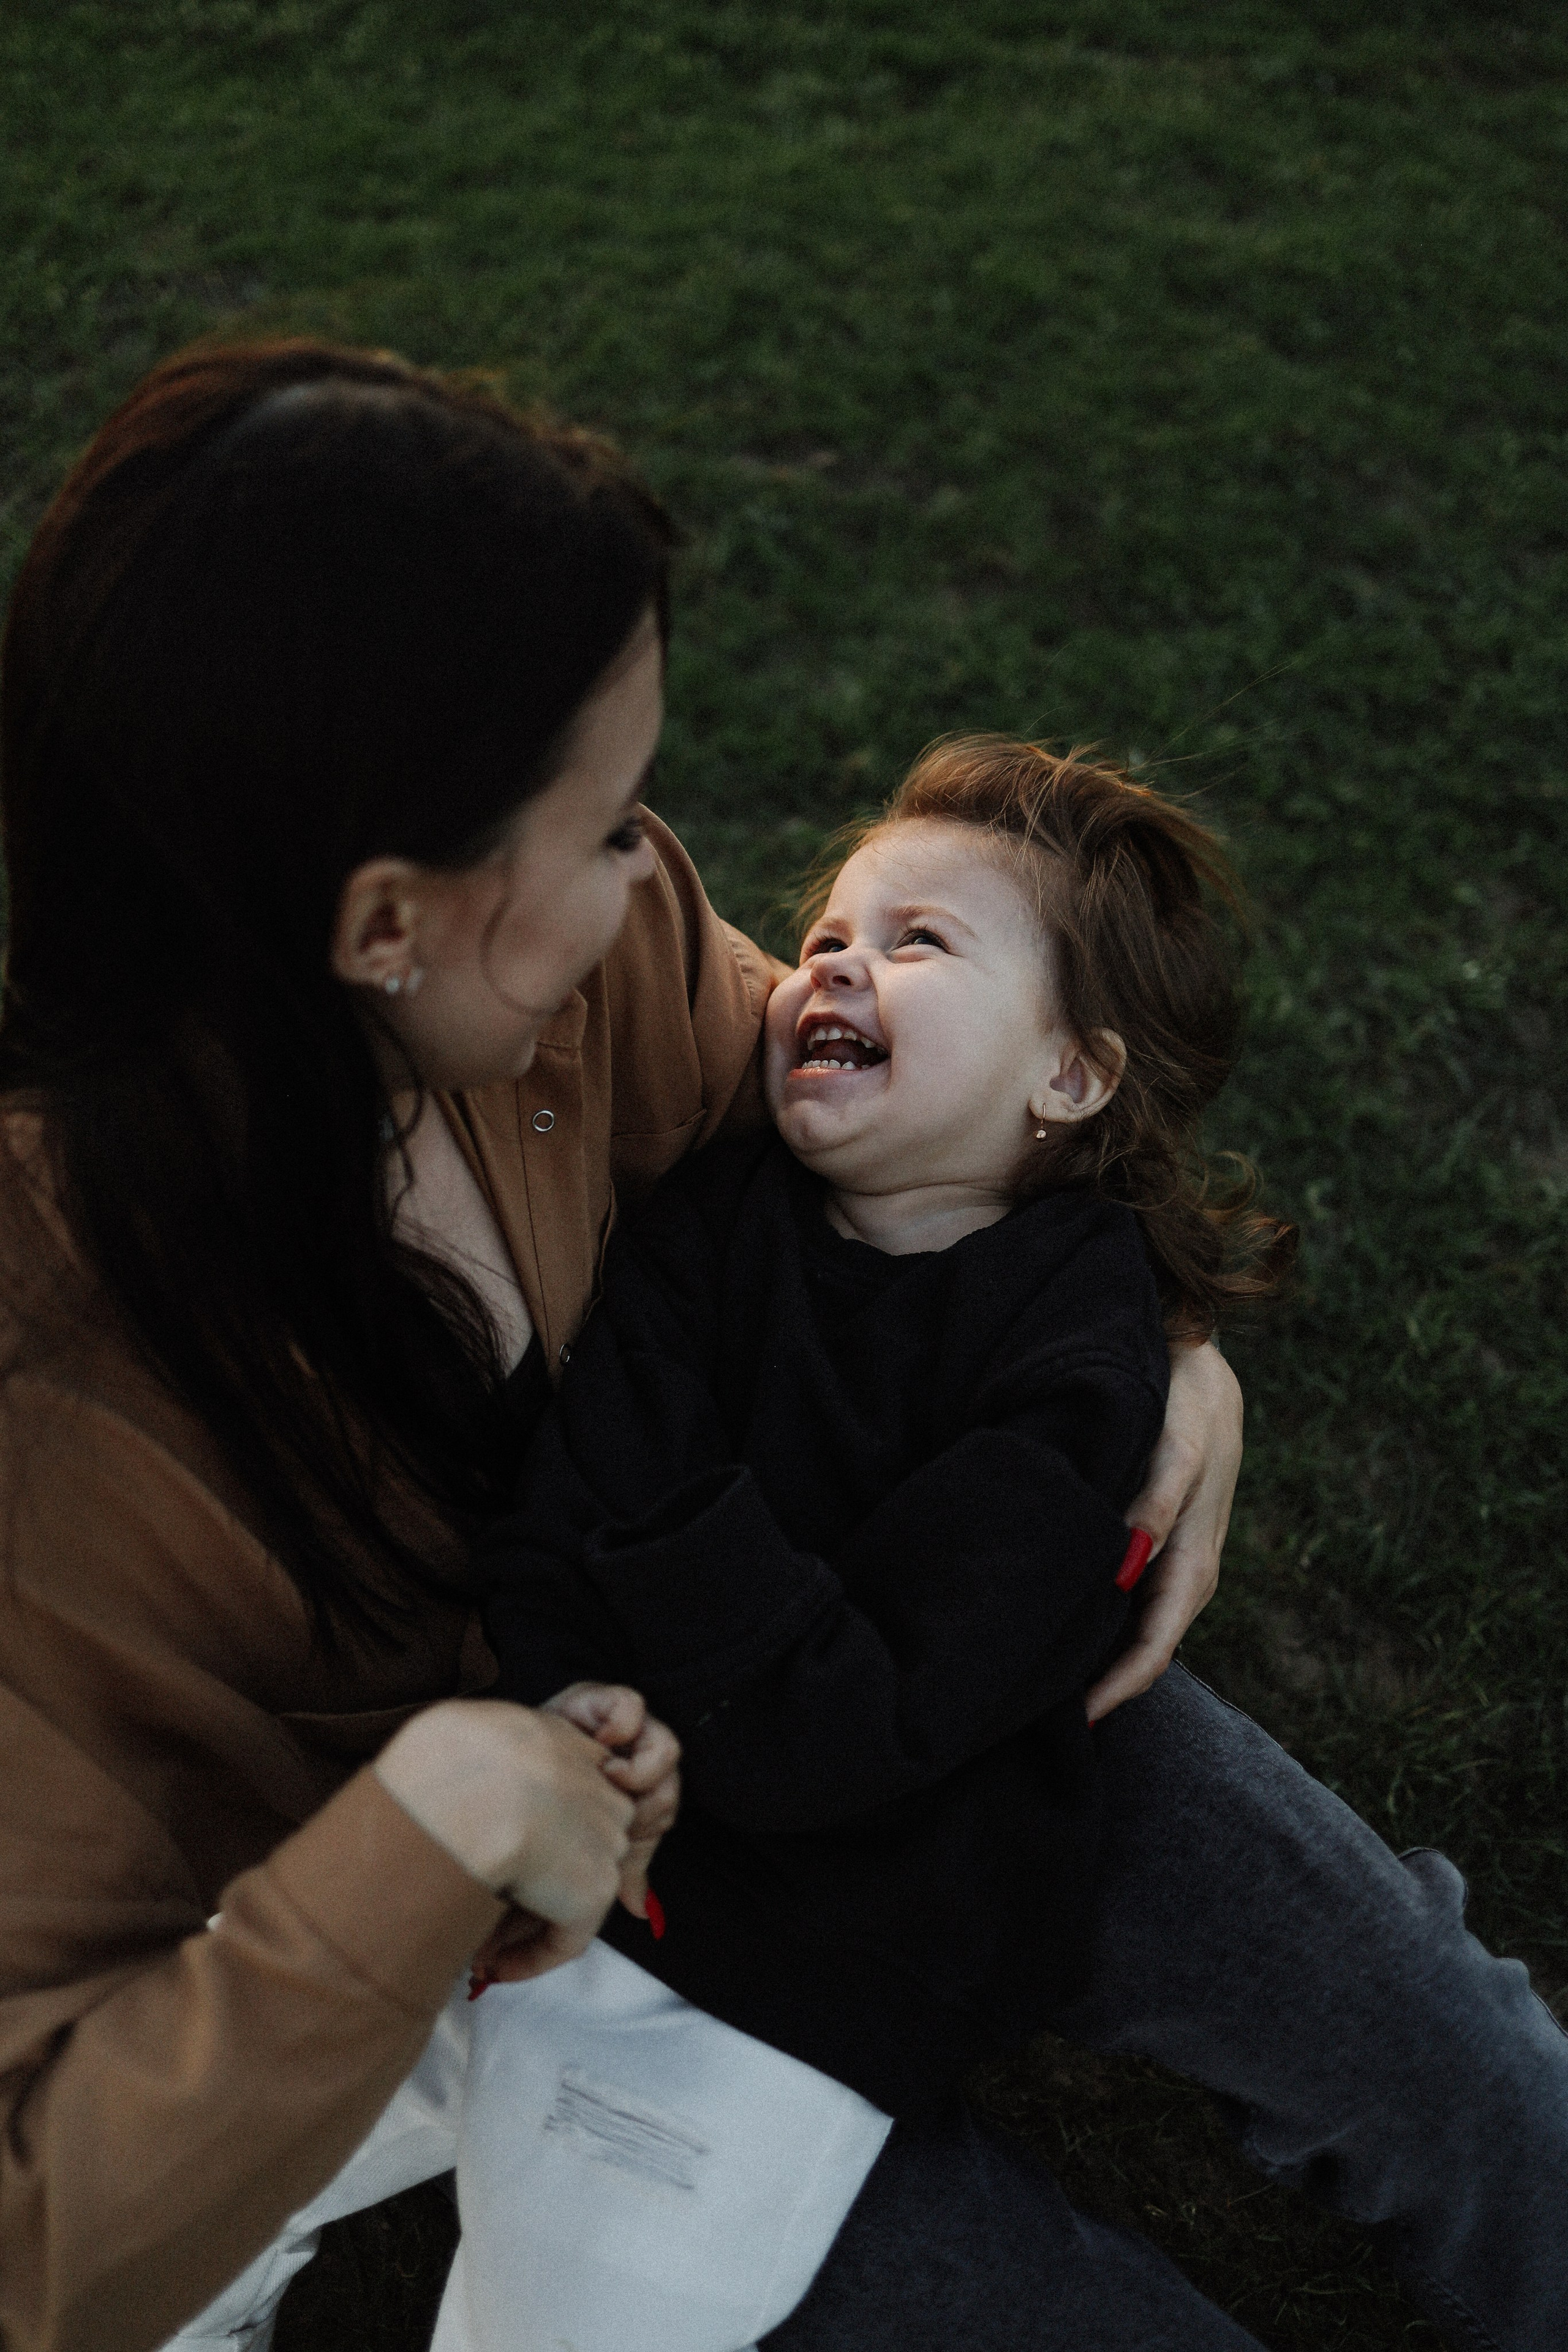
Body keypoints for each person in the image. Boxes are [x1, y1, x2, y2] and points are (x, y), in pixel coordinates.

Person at [0, 341, 1558, 2352]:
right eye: (606, 821)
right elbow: (37, 2239)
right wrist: (439, 1830)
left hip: (912, 1654)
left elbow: (923, 1111)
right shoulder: (58, 1438)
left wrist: (1153, 1340)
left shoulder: (601, 970)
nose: (664, 874)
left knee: (1464, 2060)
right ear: (388, 923)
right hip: (613, 1969)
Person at [452, 741, 1295, 2351]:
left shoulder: (1077, 1367)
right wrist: (565, 1698)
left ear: (1070, 1078)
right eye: (832, 934)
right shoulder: (719, 1218)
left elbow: (867, 1716)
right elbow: (558, 1511)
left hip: (839, 1957)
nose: (835, 960)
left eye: (919, 943)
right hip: (601, 1852)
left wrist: (680, 1530)